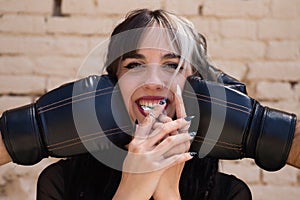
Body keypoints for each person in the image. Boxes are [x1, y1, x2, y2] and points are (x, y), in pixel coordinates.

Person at [0, 9, 299, 199]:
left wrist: (168, 191)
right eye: (134, 65)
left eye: (173, 65)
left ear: (197, 88)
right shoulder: (61, 182)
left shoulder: (228, 193)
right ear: (111, 84)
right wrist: (132, 189)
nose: (154, 81)